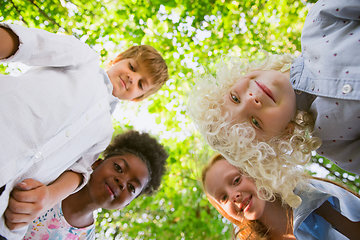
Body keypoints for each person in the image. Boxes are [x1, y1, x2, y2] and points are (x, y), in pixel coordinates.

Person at [0, 22, 168, 239]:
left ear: (137, 98)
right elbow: (27, 43)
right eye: (132, 67)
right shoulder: (83, 58)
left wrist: (49, 196)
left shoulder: (104, 133)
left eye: (141, 84)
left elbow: (79, 172)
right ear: (116, 60)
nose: (132, 78)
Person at [187, 0, 360, 207]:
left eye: (235, 97)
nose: (252, 100)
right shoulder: (332, 144)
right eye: (255, 122)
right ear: (284, 134)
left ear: (235, 78)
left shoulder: (320, 24)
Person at [18, 130, 168, 240]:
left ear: (125, 205)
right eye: (118, 168)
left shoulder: (86, 237)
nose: (122, 182)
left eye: (131, 187)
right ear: (96, 164)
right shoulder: (53, 176)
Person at [202, 153, 360, 240]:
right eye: (223, 198)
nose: (233, 196)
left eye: (236, 180)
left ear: (254, 170)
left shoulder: (310, 195)